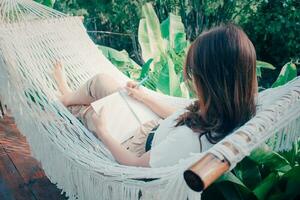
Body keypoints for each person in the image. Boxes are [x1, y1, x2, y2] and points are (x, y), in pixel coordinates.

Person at [53, 23, 258, 168]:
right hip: (152, 126)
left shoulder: (188, 141)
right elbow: (180, 115)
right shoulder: (224, 110)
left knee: (89, 112)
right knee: (102, 82)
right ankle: (68, 97)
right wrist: (143, 97)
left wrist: (103, 131)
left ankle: (66, 100)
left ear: (209, 81)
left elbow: (134, 164)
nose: (192, 78)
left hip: (134, 146)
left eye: (194, 73)